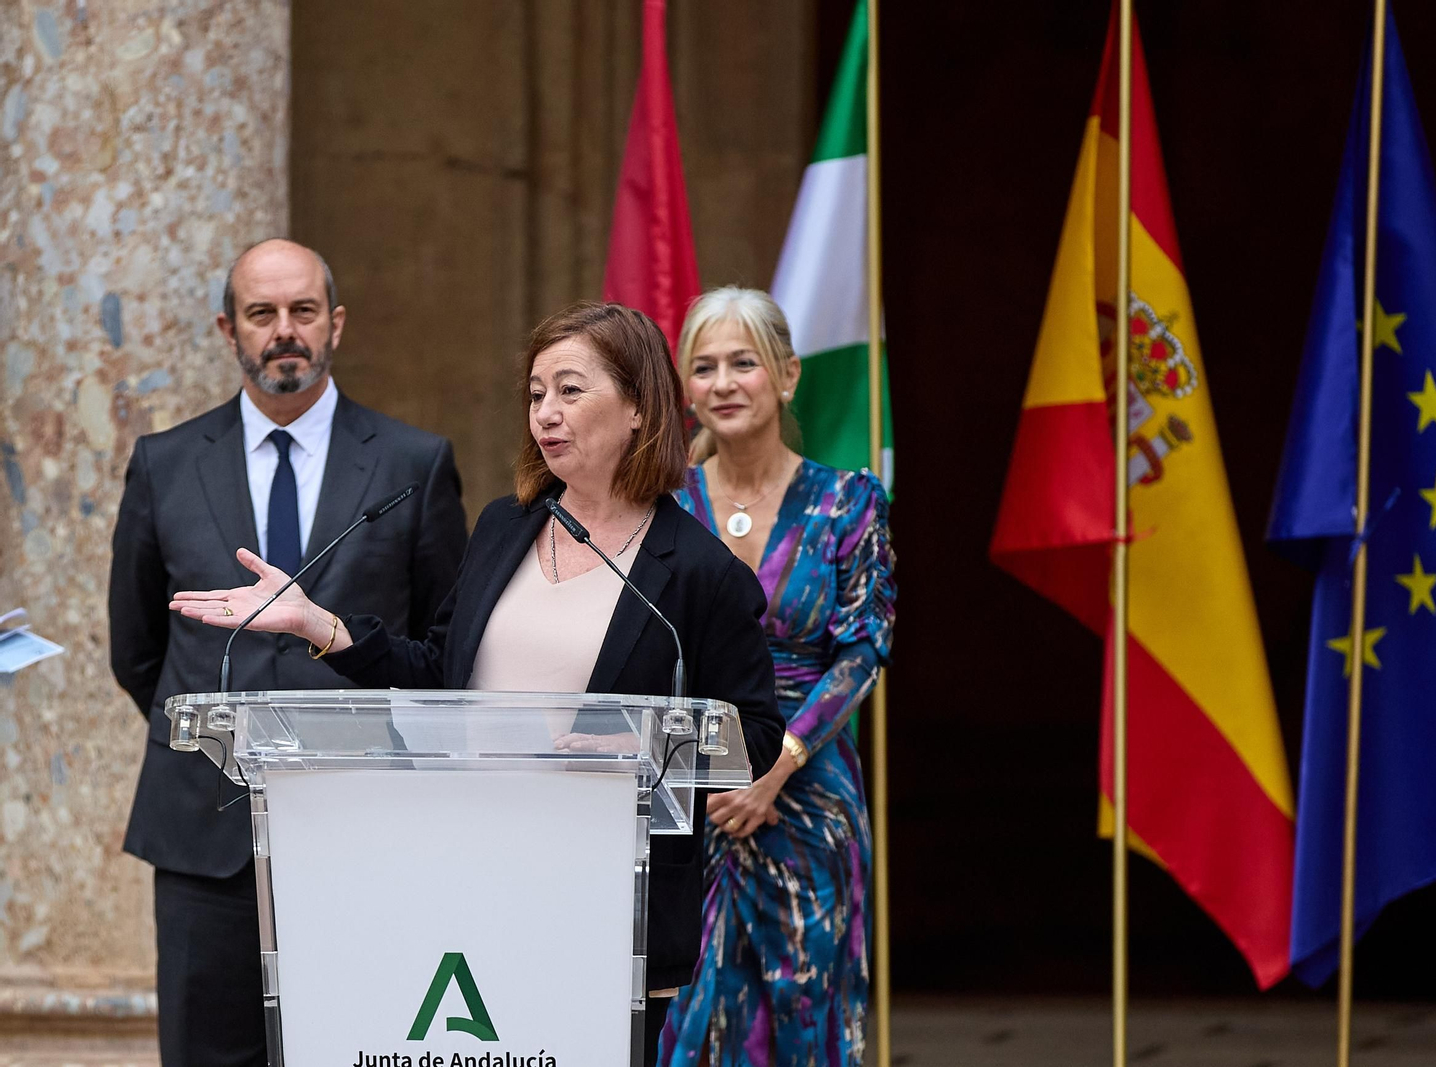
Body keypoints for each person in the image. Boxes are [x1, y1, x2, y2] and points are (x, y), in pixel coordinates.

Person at [169, 301, 786, 1060]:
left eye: (569, 390)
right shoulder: (507, 524)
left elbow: (755, 736)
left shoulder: (696, 573)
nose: (545, 414)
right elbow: (440, 673)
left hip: (599, 909)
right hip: (459, 878)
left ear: (636, 407)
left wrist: (622, 742)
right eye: (535, 394)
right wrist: (315, 624)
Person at [108, 238, 469, 1066]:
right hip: (204, 831)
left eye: (303, 310)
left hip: (364, 826)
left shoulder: (414, 464)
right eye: (262, 313)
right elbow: (138, 648)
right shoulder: (164, 464)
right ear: (227, 327)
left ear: (335, 323)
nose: (284, 332)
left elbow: (444, 651)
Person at [659, 287, 895, 1067]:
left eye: (743, 363)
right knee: (692, 1012)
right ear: (686, 391)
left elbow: (864, 648)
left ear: (786, 377)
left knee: (808, 1001)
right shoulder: (663, 507)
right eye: (704, 367)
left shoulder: (847, 501)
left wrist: (776, 768)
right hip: (694, 791)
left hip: (809, 791)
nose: (724, 382)